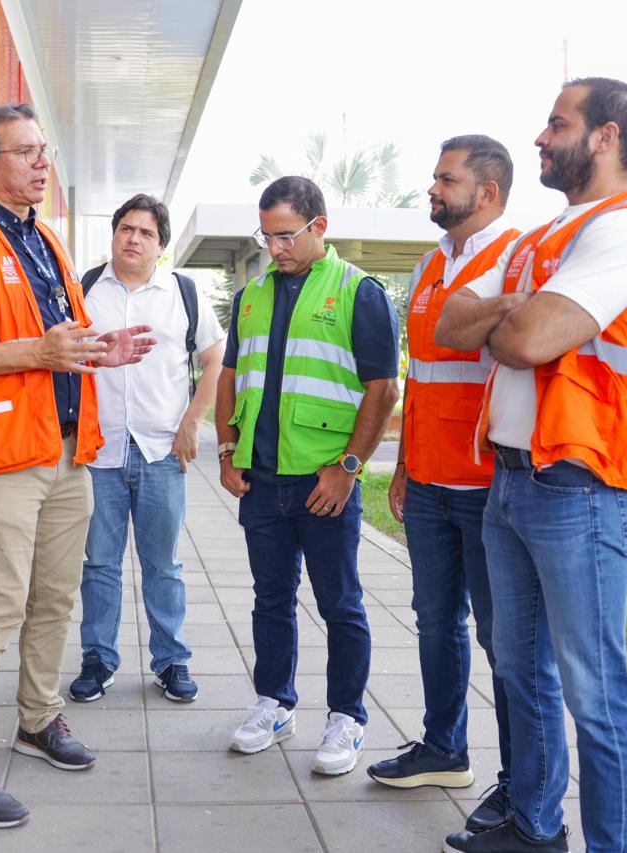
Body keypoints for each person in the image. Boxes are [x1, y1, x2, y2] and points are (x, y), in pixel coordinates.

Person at [435, 78, 627, 853]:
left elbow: (526, 342)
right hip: (513, 478)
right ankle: (537, 826)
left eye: (556, 123)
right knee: (519, 667)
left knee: (593, 692)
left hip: (583, 484)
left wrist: (513, 313)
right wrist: (522, 307)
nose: (540, 138)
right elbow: (448, 321)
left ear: (606, 137)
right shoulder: (545, 237)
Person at [0, 103, 154, 829]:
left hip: (65, 448)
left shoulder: (44, 237)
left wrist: (95, 351)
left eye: (45, 151)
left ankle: (39, 718)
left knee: (54, 598)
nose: (43, 163)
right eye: (27, 152)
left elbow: (55, 341)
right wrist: (39, 354)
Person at [215, 176, 398, 776]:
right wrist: (227, 448)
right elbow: (229, 374)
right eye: (265, 236)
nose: (275, 248)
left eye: (286, 235)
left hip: (324, 483)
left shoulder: (358, 292)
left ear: (320, 226)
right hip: (261, 480)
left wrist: (347, 470)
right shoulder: (252, 295)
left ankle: (347, 718)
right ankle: (274, 703)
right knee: (270, 600)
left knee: (339, 603)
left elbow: (382, 388)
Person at [366, 136, 519, 833]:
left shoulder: (517, 255)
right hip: (428, 479)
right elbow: (421, 375)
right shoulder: (430, 264)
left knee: (504, 637)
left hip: (491, 484)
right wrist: (402, 462)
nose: (433, 188)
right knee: (435, 620)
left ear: (486, 191)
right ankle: (444, 746)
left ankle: (519, 784)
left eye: (445, 179)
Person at [69, 193, 225, 704]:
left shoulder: (182, 293)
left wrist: (192, 422)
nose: (134, 239)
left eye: (146, 233)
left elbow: (215, 360)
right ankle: (98, 659)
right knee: (99, 563)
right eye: (126, 229)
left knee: (164, 564)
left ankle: (171, 660)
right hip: (98, 451)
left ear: (161, 244)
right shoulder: (84, 289)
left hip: (162, 449)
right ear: (114, 234)